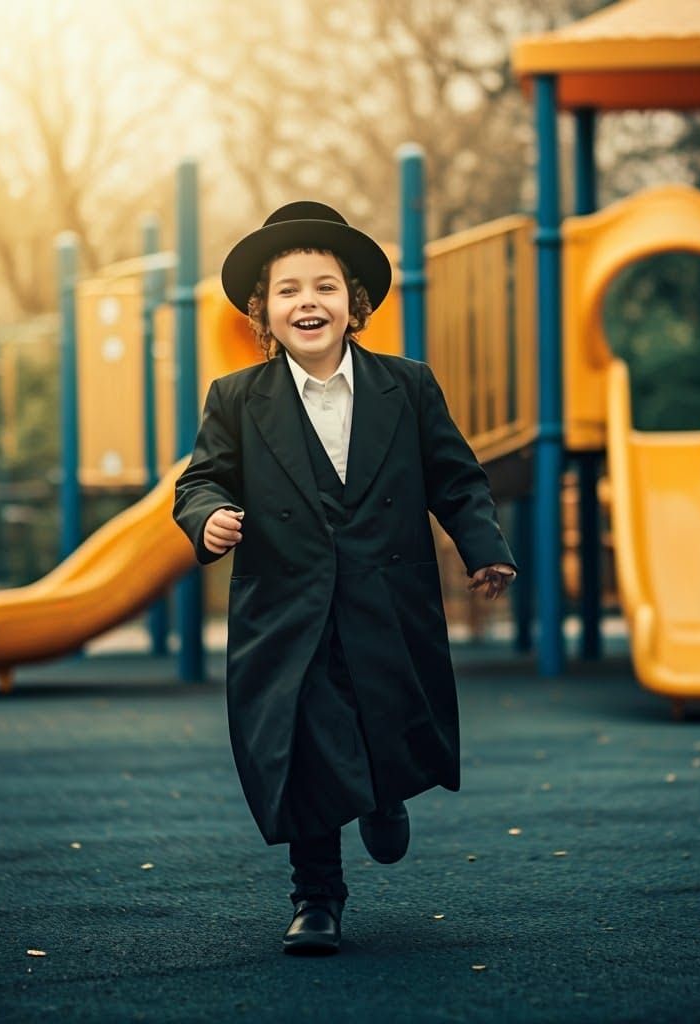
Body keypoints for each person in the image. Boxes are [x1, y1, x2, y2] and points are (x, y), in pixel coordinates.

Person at [172, 201, 517, 955]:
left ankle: (385, 791)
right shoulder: (236, 398)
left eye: (325, 287)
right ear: (264, 311)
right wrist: (209, 518)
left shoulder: (408, 385)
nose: (308, 302)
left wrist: (482, 544)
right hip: (286, 607)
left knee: (383, 716)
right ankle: (316, 896)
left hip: (385, 601)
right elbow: (200, 482)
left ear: (353, 304)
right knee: (304, 742)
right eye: (289, 290)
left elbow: (455, 479)